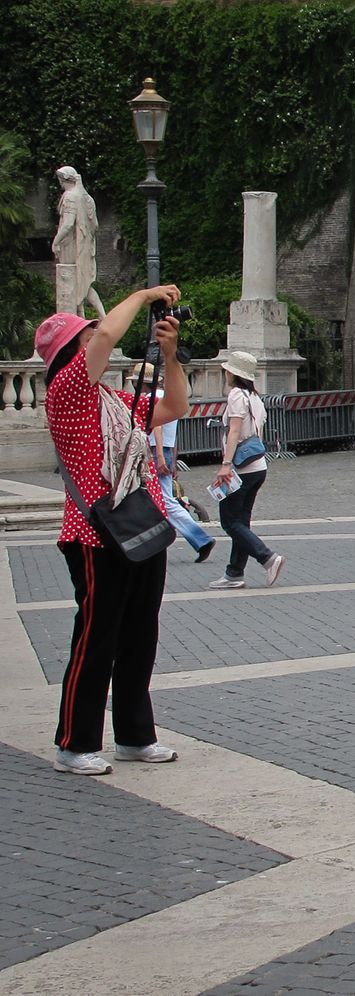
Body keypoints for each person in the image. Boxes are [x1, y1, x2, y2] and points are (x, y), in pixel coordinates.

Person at [37, 286, 186, 775]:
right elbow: (106, 333)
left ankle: (135, 736)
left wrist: (170, 356)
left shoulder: (113, 399)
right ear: (70, 354)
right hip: (94, 532)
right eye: (84, 340)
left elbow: (174, 409)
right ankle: (74, 742)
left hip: (139, 523)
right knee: (96, 637)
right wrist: (144, 295)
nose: (95, 343)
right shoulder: (67, 391)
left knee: (140, 633)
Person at [209, 351, 285, 590]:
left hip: (240, 467)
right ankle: (234, 573)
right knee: (241, 521)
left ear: (232, 373)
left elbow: (234, 430)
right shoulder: (255, 397)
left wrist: (226, 465)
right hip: (257, 465)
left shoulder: (235, 395)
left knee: (230, 522)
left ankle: (267, 557)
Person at [128, 362, 215, 563]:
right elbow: (172, 435)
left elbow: (155, 427)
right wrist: (172, 459)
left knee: (164, 500)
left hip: (154, 451)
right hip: (166, 450)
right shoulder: (167, 398)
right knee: (161, 499)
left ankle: (200, 538)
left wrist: (158, 456)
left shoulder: (150, 399)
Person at [51, 166, 106, 319]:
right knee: (82, 281)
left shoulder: (70, 196)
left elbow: (67, 224)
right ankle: (86, 317)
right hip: (84, 245)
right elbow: (95, 225)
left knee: (74, 280)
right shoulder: (87, 198)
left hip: (71, 245)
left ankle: (92, 317)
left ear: (64, 179)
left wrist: (56, 241)